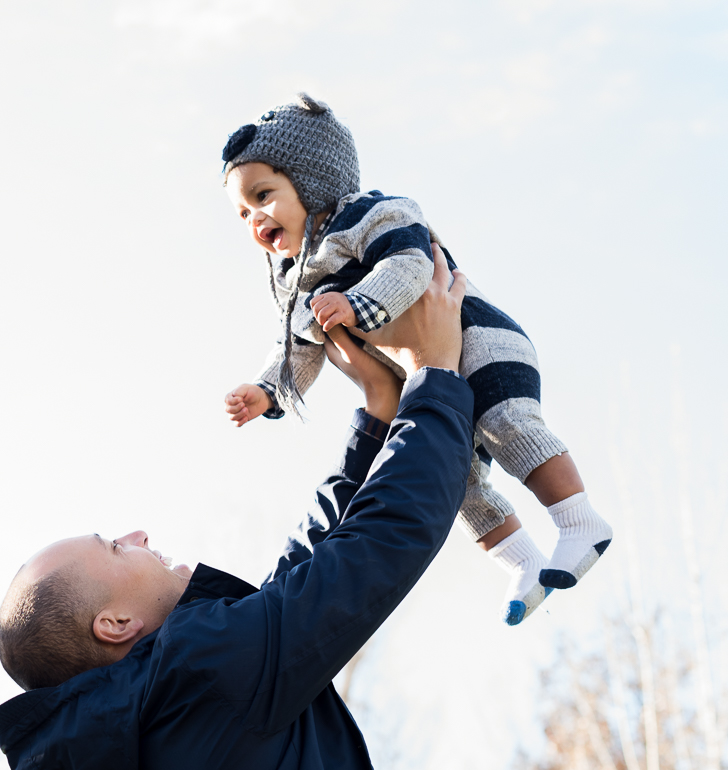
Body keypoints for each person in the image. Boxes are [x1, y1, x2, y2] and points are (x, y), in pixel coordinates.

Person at [0, 247, 475, 770]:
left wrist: (377, 421)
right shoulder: (197, 674)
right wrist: (436, 376)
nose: (138, 533)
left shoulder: (165, 706)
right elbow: (372, 553)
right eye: (116, 544)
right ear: (114, 624)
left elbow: (301, 583)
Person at [218, 93, 609, 625]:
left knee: (506, 424)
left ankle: (578, 519)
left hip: (479, 340)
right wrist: (269, 390)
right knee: (458, 477)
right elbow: (300, 347)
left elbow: (409, 263)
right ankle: (522, 561)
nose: (254, 218)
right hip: (425, 378)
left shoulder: (370, 215)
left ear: (313, 179)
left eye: (263, 195)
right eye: (242, 212)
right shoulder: (298, 281)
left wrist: (355, 304)